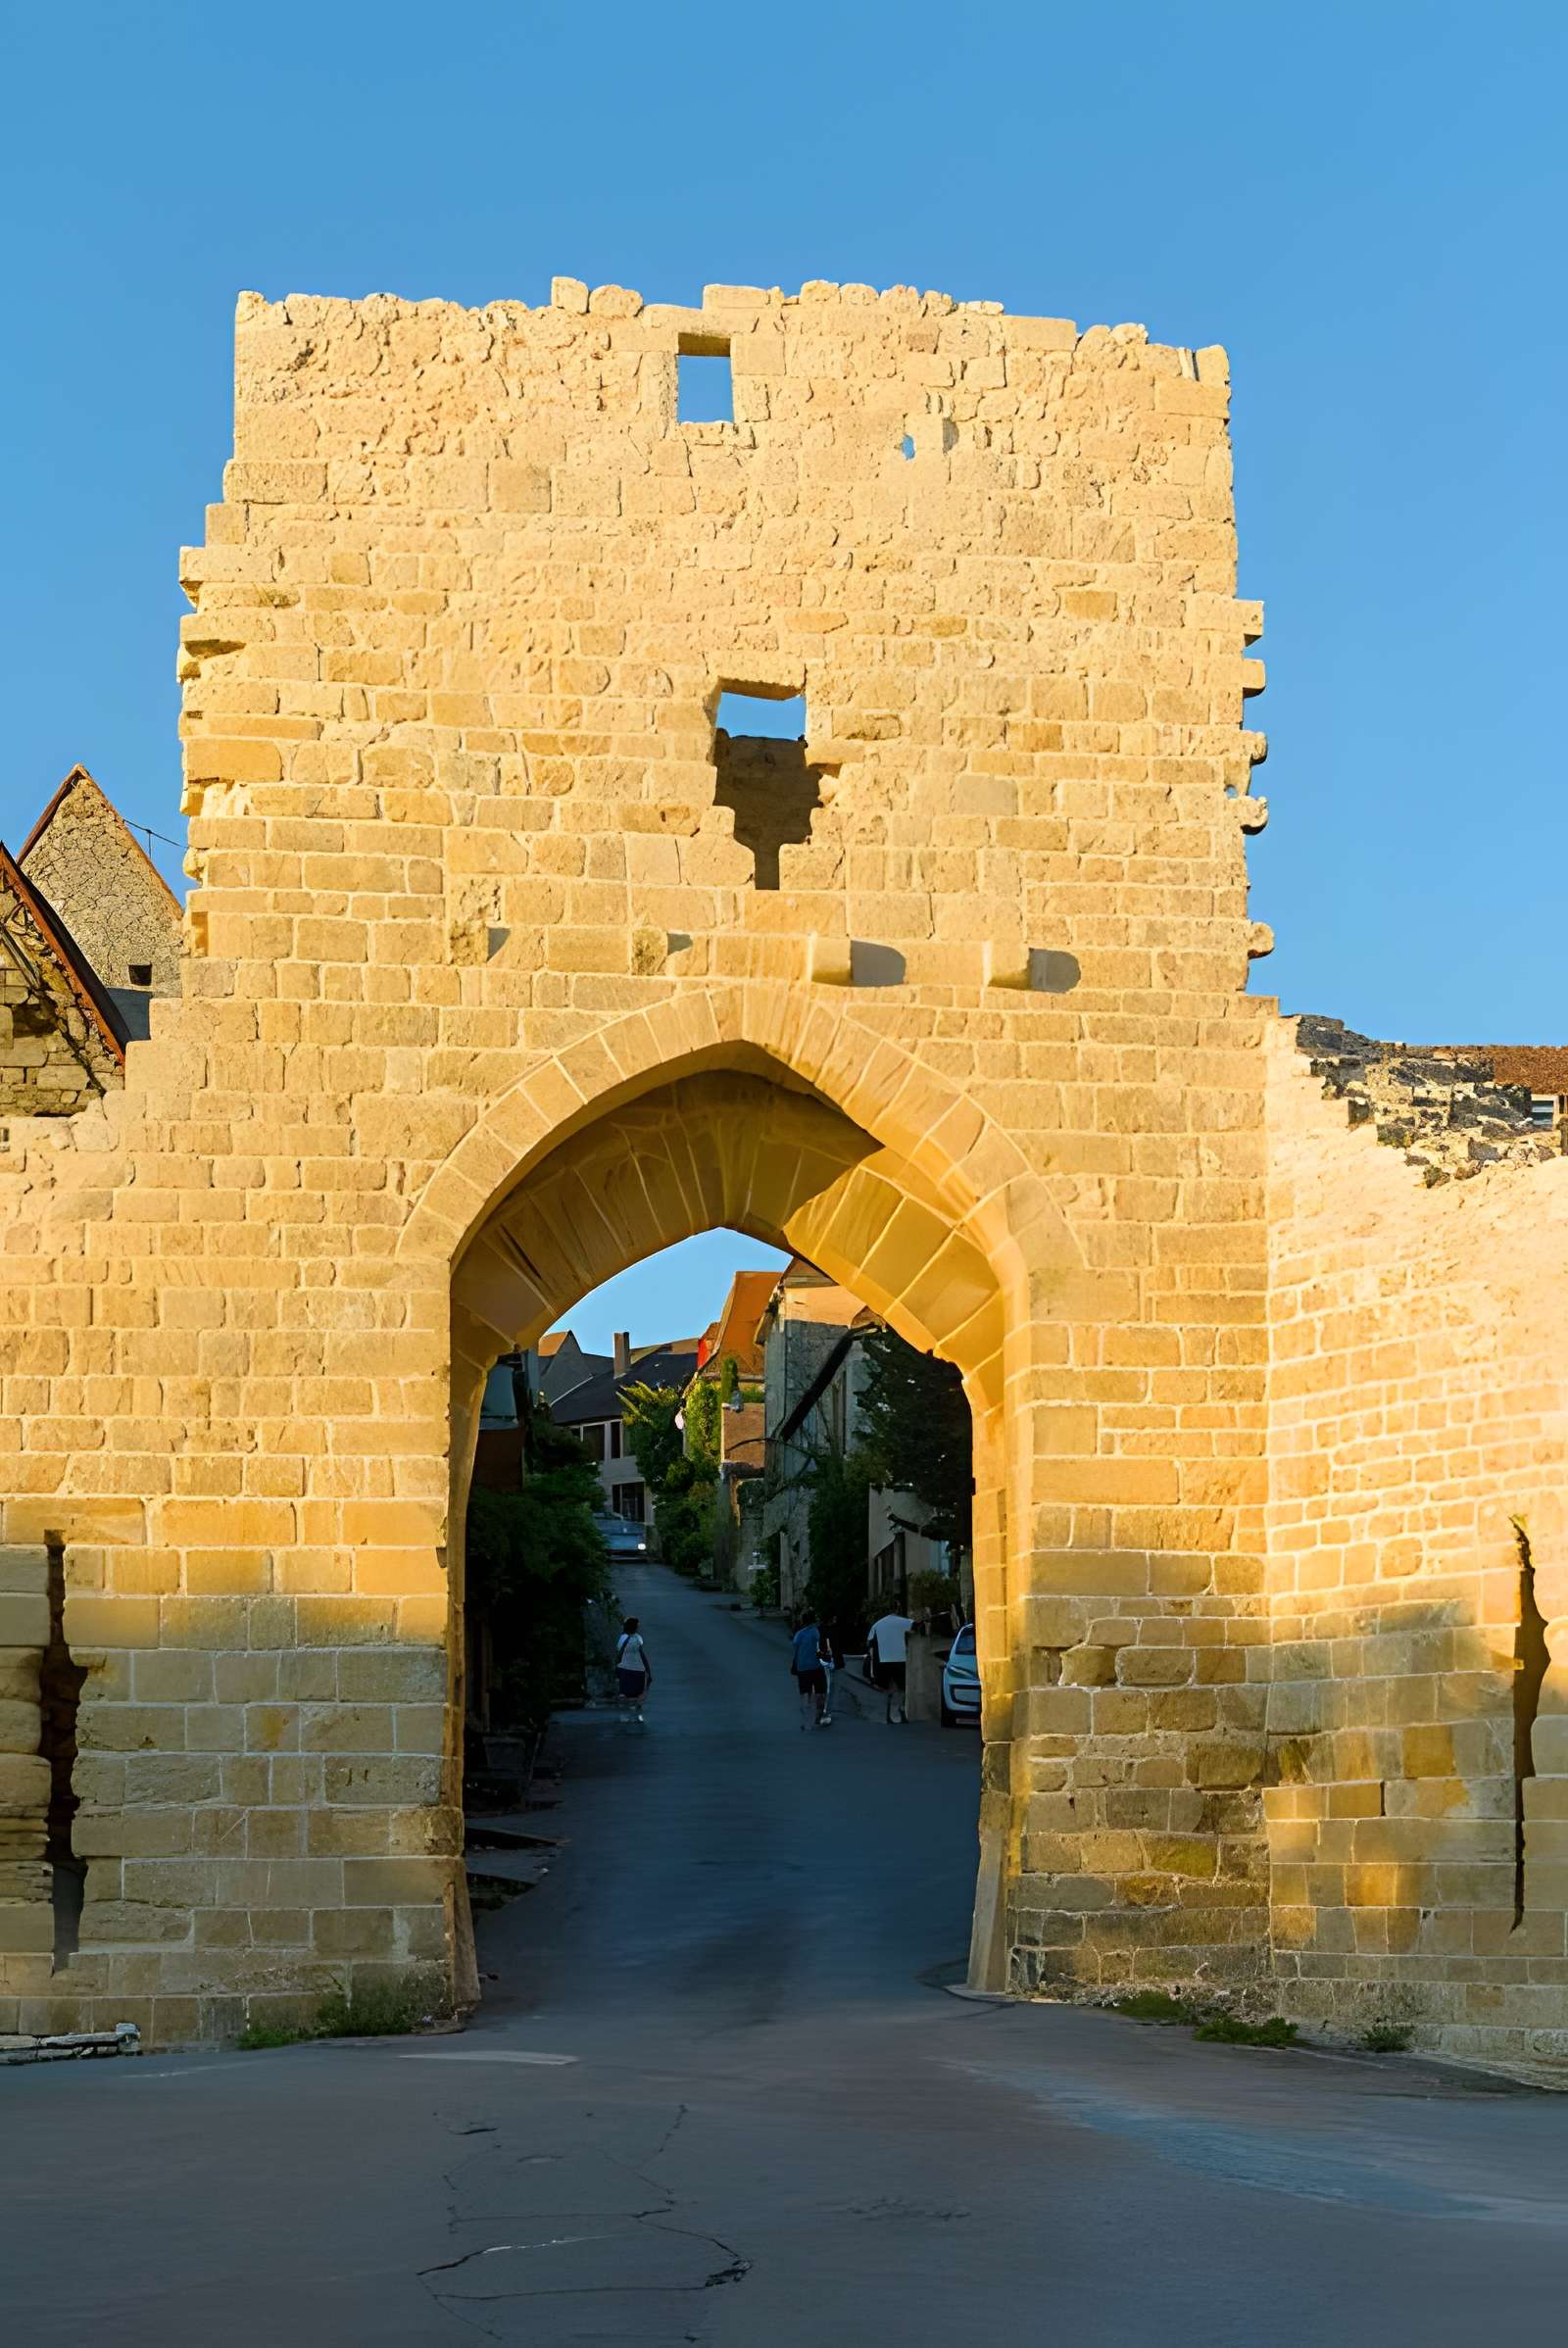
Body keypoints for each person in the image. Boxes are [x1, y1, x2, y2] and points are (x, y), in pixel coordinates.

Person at [867, 1604, 914, 1724]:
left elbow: (870, 1645)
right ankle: (902, 1710)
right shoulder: (901, 1622)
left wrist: (873, 1666)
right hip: (899, 1659)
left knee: (888, 1689)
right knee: (902, 1688)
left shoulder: (877, 1625)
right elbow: (915, 1626)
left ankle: (888, 1714)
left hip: (884, 1660)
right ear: (897, 1610)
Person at [789, 1612, 830, 1730]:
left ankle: (805, 1720)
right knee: (820, 1692)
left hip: (802, 1668)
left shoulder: (799, 1634)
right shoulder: (816, 1632)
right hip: (816, 1667)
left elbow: (795, 1647)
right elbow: (820, 1648)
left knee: (805, 1693)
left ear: (803, 1621)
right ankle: (817, 1718)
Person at [615, 1615, 651, 1726]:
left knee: (626, 1691)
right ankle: (636, 1713)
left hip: (625, 1667)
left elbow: (619, 1652)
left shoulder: (622, 1638)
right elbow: (641, 1653)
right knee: (636, 1692)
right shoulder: (638, 1638)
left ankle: (626, 1715)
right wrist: (647, 1669)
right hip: (638, 1668)